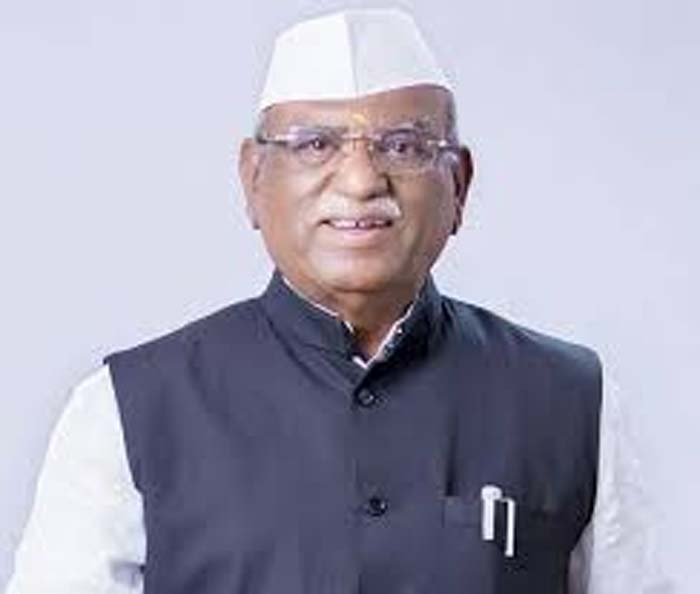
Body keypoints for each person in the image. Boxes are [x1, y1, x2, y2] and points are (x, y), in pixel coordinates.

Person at [4, 8, 672, 594]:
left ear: (459, 184)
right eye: (314, 145)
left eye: (403, 146)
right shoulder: (129, 408)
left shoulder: (572, 400)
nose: (359, 180)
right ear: (253, 179)